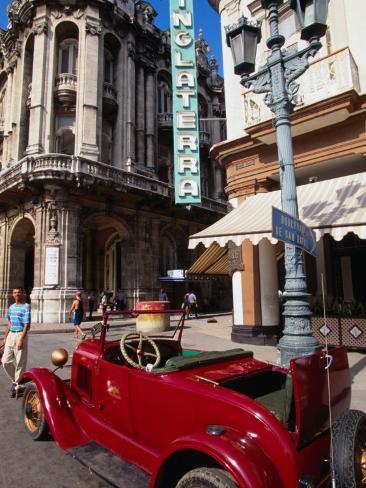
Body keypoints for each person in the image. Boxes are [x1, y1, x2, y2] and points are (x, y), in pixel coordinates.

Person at [1, 287, 31, 398]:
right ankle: (17, 381)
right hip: (11, 335)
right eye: (15, 292)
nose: (16, 294)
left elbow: (27, 325)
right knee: (5, 361)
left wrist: (21, 339)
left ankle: (17, 385)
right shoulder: (11, 307)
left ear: (22, 294)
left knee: (20, 362)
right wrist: (5, 337)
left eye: (18, 292)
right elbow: (9, 322)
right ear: (12, 295)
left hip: (20, 334)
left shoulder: (26, 307)